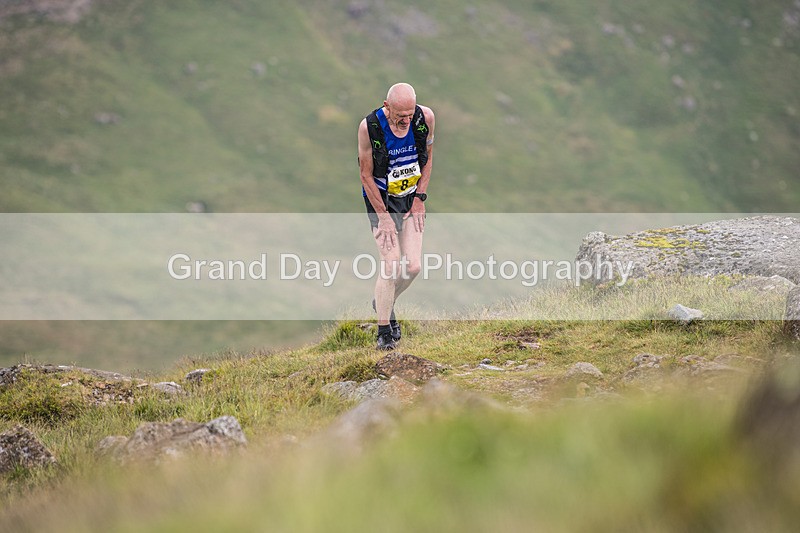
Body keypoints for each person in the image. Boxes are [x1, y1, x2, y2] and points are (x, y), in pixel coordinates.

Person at [358, 83, 435, 350]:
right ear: (386, 106)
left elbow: (427, 159)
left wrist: (420, 198)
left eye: (409, 113)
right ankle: (384, 333)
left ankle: (383, 302)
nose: (405, 120)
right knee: (390, 264)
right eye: (400, 114)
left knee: (413, 266)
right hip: (381, 200)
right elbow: (366, 175)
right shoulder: (370, 127)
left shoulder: (425, 119)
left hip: (410, 199)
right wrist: (384, 216)